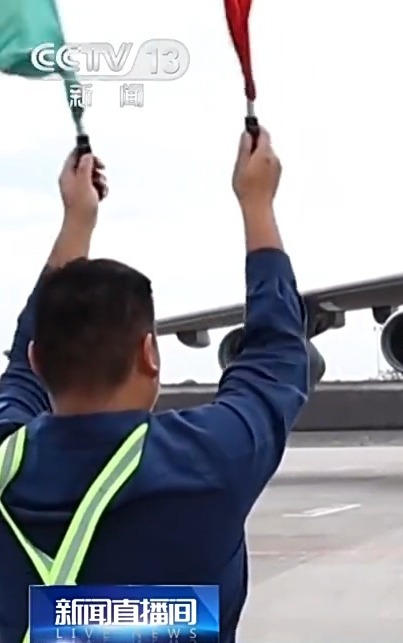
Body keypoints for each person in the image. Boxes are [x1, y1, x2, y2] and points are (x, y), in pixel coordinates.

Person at [0, 127, 310, 643]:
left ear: (38, 359)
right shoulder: (208, 460)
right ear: (150, 354)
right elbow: (277, 359)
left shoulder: (6, 456)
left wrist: (76, 221)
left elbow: (274, 359)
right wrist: (257, 203)